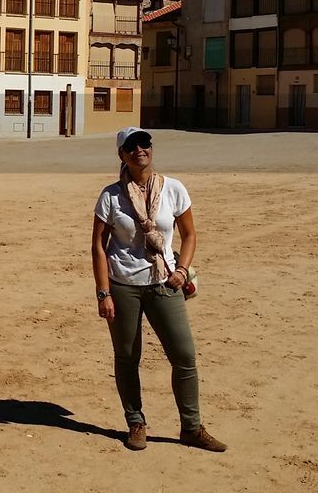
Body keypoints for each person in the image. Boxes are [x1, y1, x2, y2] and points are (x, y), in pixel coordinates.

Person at [91, 126, 227, 453]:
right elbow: (98, 246)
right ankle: (136, 422)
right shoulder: (111, 196)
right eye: (132, 145)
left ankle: (191, 428)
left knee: (184, 356)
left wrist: (182, 269)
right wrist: (103, 293)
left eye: (145, 143)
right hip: (124, 286)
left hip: (164, 282)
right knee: (127, 357)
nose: (140, 149)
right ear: (122, 155)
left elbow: (189, 235)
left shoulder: (174, 189)